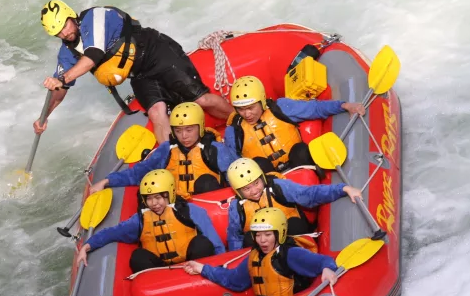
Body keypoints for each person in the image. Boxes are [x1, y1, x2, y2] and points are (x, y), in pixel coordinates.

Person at [36, 0, 232, 142]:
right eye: (58, 33)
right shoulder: (67, 52)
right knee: (156, 113)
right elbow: (60, 90)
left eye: (65, 26)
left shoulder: (95, 17)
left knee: (201, 99)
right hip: (139, 73)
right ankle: (172, 161)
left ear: (71, 16)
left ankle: (238, 121)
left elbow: (93, 55)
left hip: (156, 52)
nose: (65, 33)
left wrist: (63, 78)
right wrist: (44, 117)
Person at [181, 207, 339, 296]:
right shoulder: (254, 256)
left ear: (280, 233)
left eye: (268, 235)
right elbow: (235, 280)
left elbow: (322, 261)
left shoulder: (290, 254)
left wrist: (327, 268)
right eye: (258, 235)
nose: (262, 240)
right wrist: (202, 268)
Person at [74, 169, 225, 273]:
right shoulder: (140, 220)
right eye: (149, 199)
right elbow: (112, 232)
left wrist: (221, 265)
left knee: (202, 243)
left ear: (170, 194)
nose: (154, 203)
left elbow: (214, 241)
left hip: (193, 263)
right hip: (160, 269)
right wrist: (87, 246)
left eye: (158, 197)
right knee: (138, 257)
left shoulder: (191, 211)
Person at [88, 102, 234, 201]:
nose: (184, 136)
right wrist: (107, 181)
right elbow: (139, 173)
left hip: (210, 208)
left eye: (189, 130)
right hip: (177, 209)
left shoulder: (216, 149)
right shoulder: (166, 150)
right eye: (178, 131)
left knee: (206, 183)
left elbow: (236, 179)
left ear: (200, 127)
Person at [223, 75, 366, 173]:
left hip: (298, 164)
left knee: (301, 150)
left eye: (251, 108)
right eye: (241, 109)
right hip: (268, 183)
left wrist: (344, 106)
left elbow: (314, 108)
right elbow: (234, 168)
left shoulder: (281, 107)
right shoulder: (233, 131)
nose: (246, 114)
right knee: (257, 165)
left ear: (262, 100)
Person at [225, 158, 362, 252]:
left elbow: (308, 195)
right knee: (249, 238)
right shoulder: (237, 208)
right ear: (238, 191)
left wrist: (342, 189)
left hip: (292, 238)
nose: (254, 191)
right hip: (265, 250)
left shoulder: (278, 187)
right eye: (247, 189)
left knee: (294, 224)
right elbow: (235, 237)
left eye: (256, 183)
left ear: (262, 178)